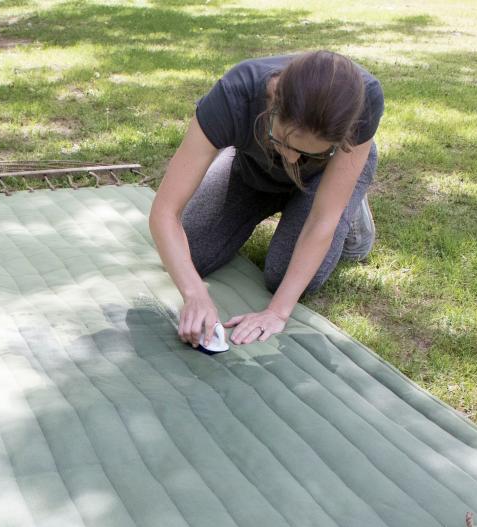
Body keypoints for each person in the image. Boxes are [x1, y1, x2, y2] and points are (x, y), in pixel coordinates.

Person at [149, 50, 384, 347]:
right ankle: (276, 179)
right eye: (284, 142)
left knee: (284, 276)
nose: (292, 158)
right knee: (190, 254)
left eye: (310, 152)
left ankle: (349, 201)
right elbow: (165, 212)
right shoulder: (233, 96)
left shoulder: (367, 99)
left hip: (325, 177)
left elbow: (323, 220)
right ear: (273, 103)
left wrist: (277, 312)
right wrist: (195, 294)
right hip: (256, 169)